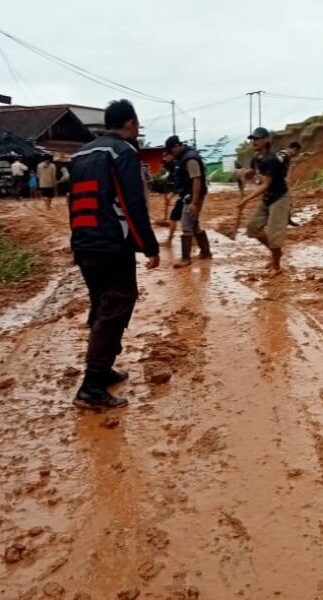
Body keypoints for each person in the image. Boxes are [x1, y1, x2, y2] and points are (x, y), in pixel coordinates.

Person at [68, 99, 160, 411]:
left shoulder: (81, 153)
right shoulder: (123, 152)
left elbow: (74, 201)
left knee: (102, 303)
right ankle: (92, 384)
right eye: (137, 125)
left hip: (84, 243)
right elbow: (133, 203)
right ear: (131, 123)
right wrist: (149, 246)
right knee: (117, 304)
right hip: (111, 245)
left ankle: (103, 369)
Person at [239, 127, 290, 273]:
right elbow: (253, 171)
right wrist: (247, 173)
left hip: (280, 197)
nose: (254, 141)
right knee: (252, 227)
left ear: (267, 140)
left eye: (257, 138)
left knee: (274, 233)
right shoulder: (256, 156)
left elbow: (265, 185)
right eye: (253, 139)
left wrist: (246, 200)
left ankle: (276, 266)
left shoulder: (271, 159)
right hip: (268, 197)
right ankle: (276, 254)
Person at [165, 135, 213, 268]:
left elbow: (196, 179)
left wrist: (194, 202)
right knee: (194, 224)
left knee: (186, 226)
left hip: (192, 197)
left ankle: (186, 259)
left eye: (171, 150)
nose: (171, 154)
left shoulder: (190, 159)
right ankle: (205, 252)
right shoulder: (184, 158)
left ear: (176, 146)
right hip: (190, 195)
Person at [278, 141, 302, 226]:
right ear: (294, 149)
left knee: (287, 200)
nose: (297, 155)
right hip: (277, 183)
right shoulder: (283, 154)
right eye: (297, 152)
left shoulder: (287, 156)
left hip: (280, 182)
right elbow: (276, 164)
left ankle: (287, 219)